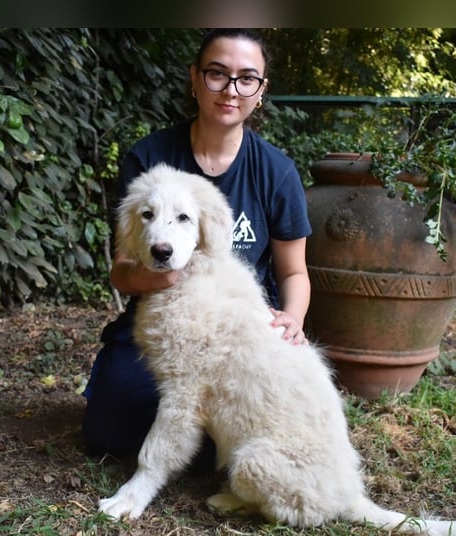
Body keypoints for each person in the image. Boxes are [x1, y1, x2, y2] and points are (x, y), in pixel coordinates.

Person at [82, 28, 312, 464]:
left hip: (239, 328)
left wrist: (293, 320)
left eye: (247, 78)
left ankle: (209, 435)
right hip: (163, 323)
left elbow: (294, 271)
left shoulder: (277, 171)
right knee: (106, 429)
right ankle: (198, 435)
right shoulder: (149, 158)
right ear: (194, 77)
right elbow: (122, 270)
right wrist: (162, 273)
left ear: (261, 89)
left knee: (244, 407)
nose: (231, 90)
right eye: (217, 74)